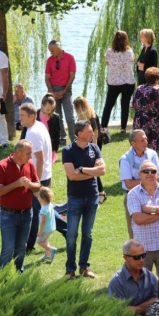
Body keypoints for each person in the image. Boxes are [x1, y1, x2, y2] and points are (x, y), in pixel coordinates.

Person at [62, 120, 105, 281]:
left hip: (92, 197)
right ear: (80, 134)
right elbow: (71, 176)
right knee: (72, 234)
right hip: (75, 198)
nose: (93, 133)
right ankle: (70, 269)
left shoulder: (94, 147)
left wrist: (83, 170)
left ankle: (84, 267)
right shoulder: (68, 150)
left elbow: (102, 170)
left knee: (87, 234)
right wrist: (92, 172)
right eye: (89, 131)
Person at [0, 139, 41, 271]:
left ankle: (18, 273)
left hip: (27, 213)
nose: (31, 156)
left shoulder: (30, 165)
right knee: (8, 249)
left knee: (21, 247)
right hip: (8, 214)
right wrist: (16, 184)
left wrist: (29, 184)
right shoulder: (1, 166)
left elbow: (38, 187)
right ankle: (3, 277)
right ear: (18, 152)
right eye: (28, 153)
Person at [18, 103, 53, 251]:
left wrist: (35, 183)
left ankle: (29, 245)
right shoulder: (39, 125)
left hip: (39, 177)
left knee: (34, 212)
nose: (20, 118)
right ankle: (66, 230)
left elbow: (40, 159)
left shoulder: (32, 132)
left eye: (22, 116)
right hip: (45, 175)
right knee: (44, 208)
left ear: (31, 116)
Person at [119, 130, 159, 238]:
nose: (146, 142)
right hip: (133, 196)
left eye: (146, 139)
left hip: (153, 195)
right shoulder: (125, 159)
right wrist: (150, 178)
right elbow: (129, 184)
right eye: (142, 140)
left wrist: (142, 178)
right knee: (134, 231)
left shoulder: (152, 155)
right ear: (133, 143)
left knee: (157, 226)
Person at [108, 239, 158, 315]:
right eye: (137, 257)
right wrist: (147, 306)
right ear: (125, 258)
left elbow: (158, 302)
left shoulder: (150, 276)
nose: (141, 260)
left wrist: (136, 309)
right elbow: (120, 312)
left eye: (143, 255)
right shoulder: (116, 282)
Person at [73, 96, 106, 203]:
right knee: (90, 166)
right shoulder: (84, 117)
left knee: (93, 166)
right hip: (87, 143)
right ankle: (97, 190)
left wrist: (93, 149)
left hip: (93, 144)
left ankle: (101, 191)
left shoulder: (92, 117)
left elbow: (95, 135)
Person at [101, 30, 136, 132]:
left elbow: (107, 63)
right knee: (125, 104)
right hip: (128, 82)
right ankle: (123, 128)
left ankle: (103, 126)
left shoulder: (109, 52)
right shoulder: (129, 52)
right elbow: (131, 62)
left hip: (114, 82)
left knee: (108, 105)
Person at [45, 40, 76, 144]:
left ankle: (73, 138)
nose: (51, 53)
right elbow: (47, 78)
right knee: (57, 116)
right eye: (50, 51)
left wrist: (64, 91)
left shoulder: (69, 58)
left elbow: (72, 76)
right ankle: (62, 139)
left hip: (66, 90)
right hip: (53, 90)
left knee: (69, 116)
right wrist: (51, 92)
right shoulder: (50, 60)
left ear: (58, 48)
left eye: (52, 51)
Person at [132, 67, 159, 153]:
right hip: (151, 121)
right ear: (156, 79)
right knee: (151, 144)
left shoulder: (139, 88)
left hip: (139, 119)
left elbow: (133, 104)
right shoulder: (155, 90)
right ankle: (151, 164)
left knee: (138, 141)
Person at [21, 93, 60, 164]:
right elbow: (25, 129)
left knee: (46, 166)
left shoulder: (55, 117)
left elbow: (57, 134)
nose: (50, 112)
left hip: (48, 145)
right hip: (35, 142)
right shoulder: (34, 114)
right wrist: (21, 142)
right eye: (48, 109)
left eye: (52, 109)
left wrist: (55, 148)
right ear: (42, 105)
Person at [36, 186, 57, 262]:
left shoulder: (43, 210)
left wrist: (40, 231)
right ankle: (47, 254)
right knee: (45, 241)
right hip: (52, 228)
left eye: (39, 196)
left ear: (43, 198)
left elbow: (43, 221)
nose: (38, 198)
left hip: (46, 229)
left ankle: (51, 250)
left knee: (39, 241)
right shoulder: (49, 205)